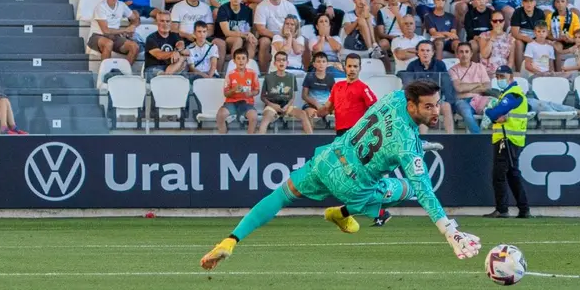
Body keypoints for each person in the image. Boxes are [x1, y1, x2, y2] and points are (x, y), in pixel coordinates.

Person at [199, 80, 483, 269]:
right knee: (406, 189)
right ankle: (345, 211)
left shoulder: (395, 97)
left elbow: (388, 127)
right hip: (353, 185)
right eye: (428, 106)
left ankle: (230, 241)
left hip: (329, 159)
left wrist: (417, 143)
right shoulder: (407, 146)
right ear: (412, 106)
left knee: (281, 194)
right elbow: (425, 192)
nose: (435, 111)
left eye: (436, 104)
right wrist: (450, 232)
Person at [480, 66, 530, 219]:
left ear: (511, 77)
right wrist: (496, 114)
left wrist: (490, 113)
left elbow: (496, 112)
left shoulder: (514, 94)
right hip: (507, 138)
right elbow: (499, 114)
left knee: (499, 174)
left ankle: (502, 210)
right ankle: (524, 209)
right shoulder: (506, 95)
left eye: (502, 76)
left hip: (507, 139)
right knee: (512, 174)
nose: (499, 78)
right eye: (497, 76)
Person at [260, 51, 313, 133]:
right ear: (274, 63)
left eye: (283, 60)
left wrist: (288, 105)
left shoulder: (291, 77)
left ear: (287, 63)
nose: (281, 62)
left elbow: (292, 96)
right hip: (272, 104)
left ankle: (311, 141)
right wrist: (272, 105)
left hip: (286, 105)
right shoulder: (268, 77)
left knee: (303, 114)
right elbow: (263, 97)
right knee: (265, 120)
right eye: (278, 60)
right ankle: (260, 143)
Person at [217, 49, 259, 133]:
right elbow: (226, 94)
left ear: (247, 60)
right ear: (234, 61)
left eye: (243, 58)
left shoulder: (253, 73)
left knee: (253, 117)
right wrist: (233, 90)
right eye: (238, 58)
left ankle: (249, 141)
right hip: (231, 103)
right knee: (220, 115)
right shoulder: (230, 74)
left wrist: (251, 93)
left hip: (247, 103)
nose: (241, 61)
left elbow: (257, 90)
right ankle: (222, 140)